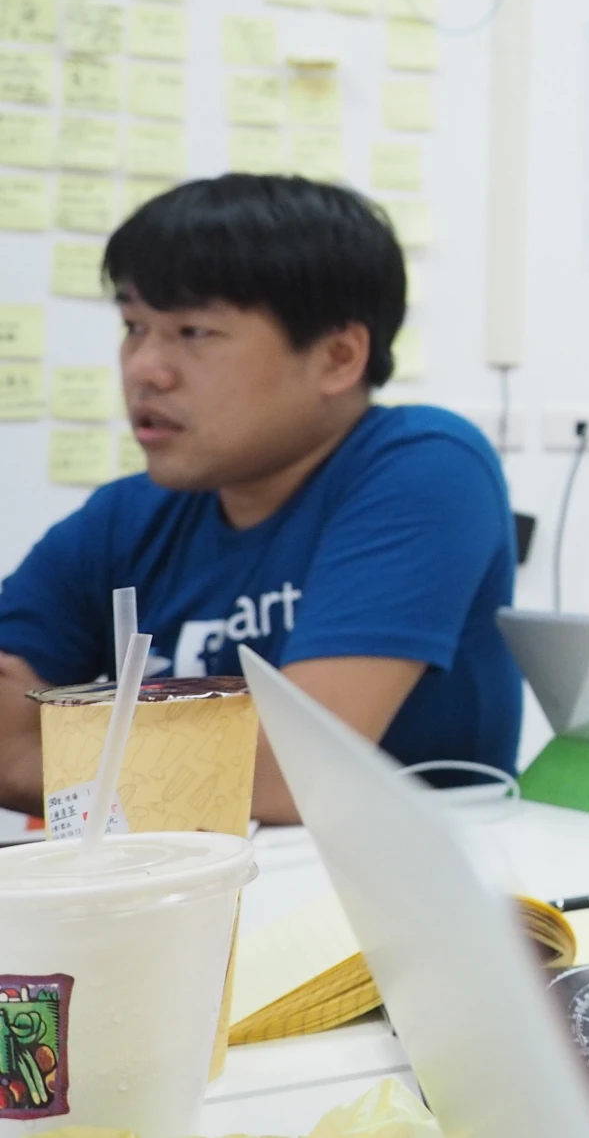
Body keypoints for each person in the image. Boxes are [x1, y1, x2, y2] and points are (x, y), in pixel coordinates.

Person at [0, 176, 521, 824]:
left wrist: (31, 760)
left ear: (337, 357)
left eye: (194, 331)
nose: (144, 368)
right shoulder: (125, 516)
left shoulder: (426, 465)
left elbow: (288, 776)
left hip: (389, 904)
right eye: (135, 326)